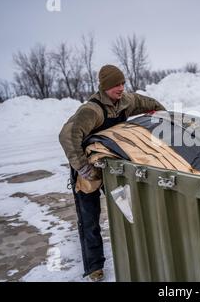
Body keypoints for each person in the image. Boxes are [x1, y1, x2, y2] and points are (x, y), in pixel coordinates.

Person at [59, 64, 165, 281]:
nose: (121, 88)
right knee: (89, 218)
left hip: (110, 163)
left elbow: (151, 104)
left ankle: (134, 254)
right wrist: (83, 168)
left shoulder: (127, 101)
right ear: (105, 87)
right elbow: (67, 137)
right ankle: (94, 267)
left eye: (123, 83)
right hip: (86, 166)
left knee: (126, 208)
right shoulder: (91, 110)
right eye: (116, 85)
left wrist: (162, 117)